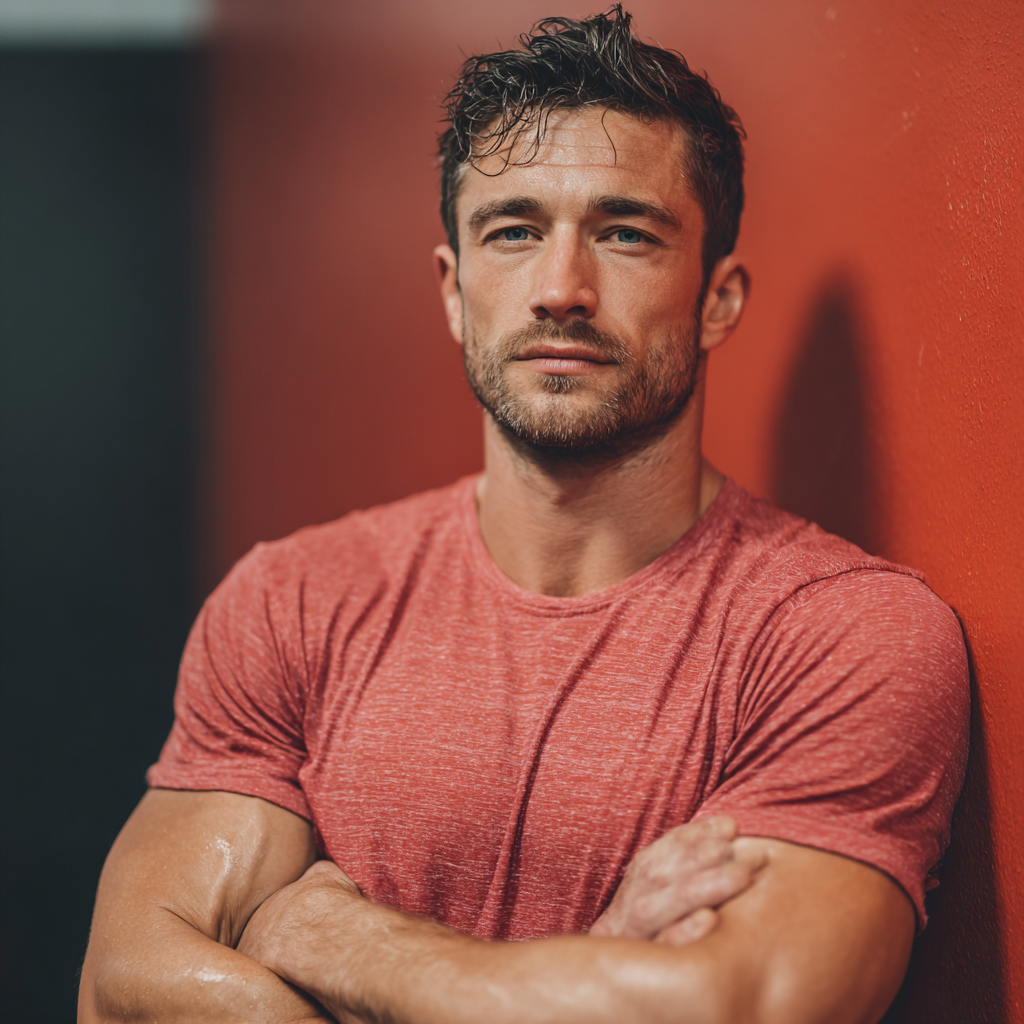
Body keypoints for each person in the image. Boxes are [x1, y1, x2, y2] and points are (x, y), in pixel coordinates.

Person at [79, 8, 969, 1023]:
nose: (560, 289)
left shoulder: (843, 637)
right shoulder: (293, 602)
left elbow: (718, 1008)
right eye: (513, 231)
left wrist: (329, 933)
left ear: (717, 299)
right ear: (455, 291)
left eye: (625, 233)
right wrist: (589, 968)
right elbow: (125, 990)